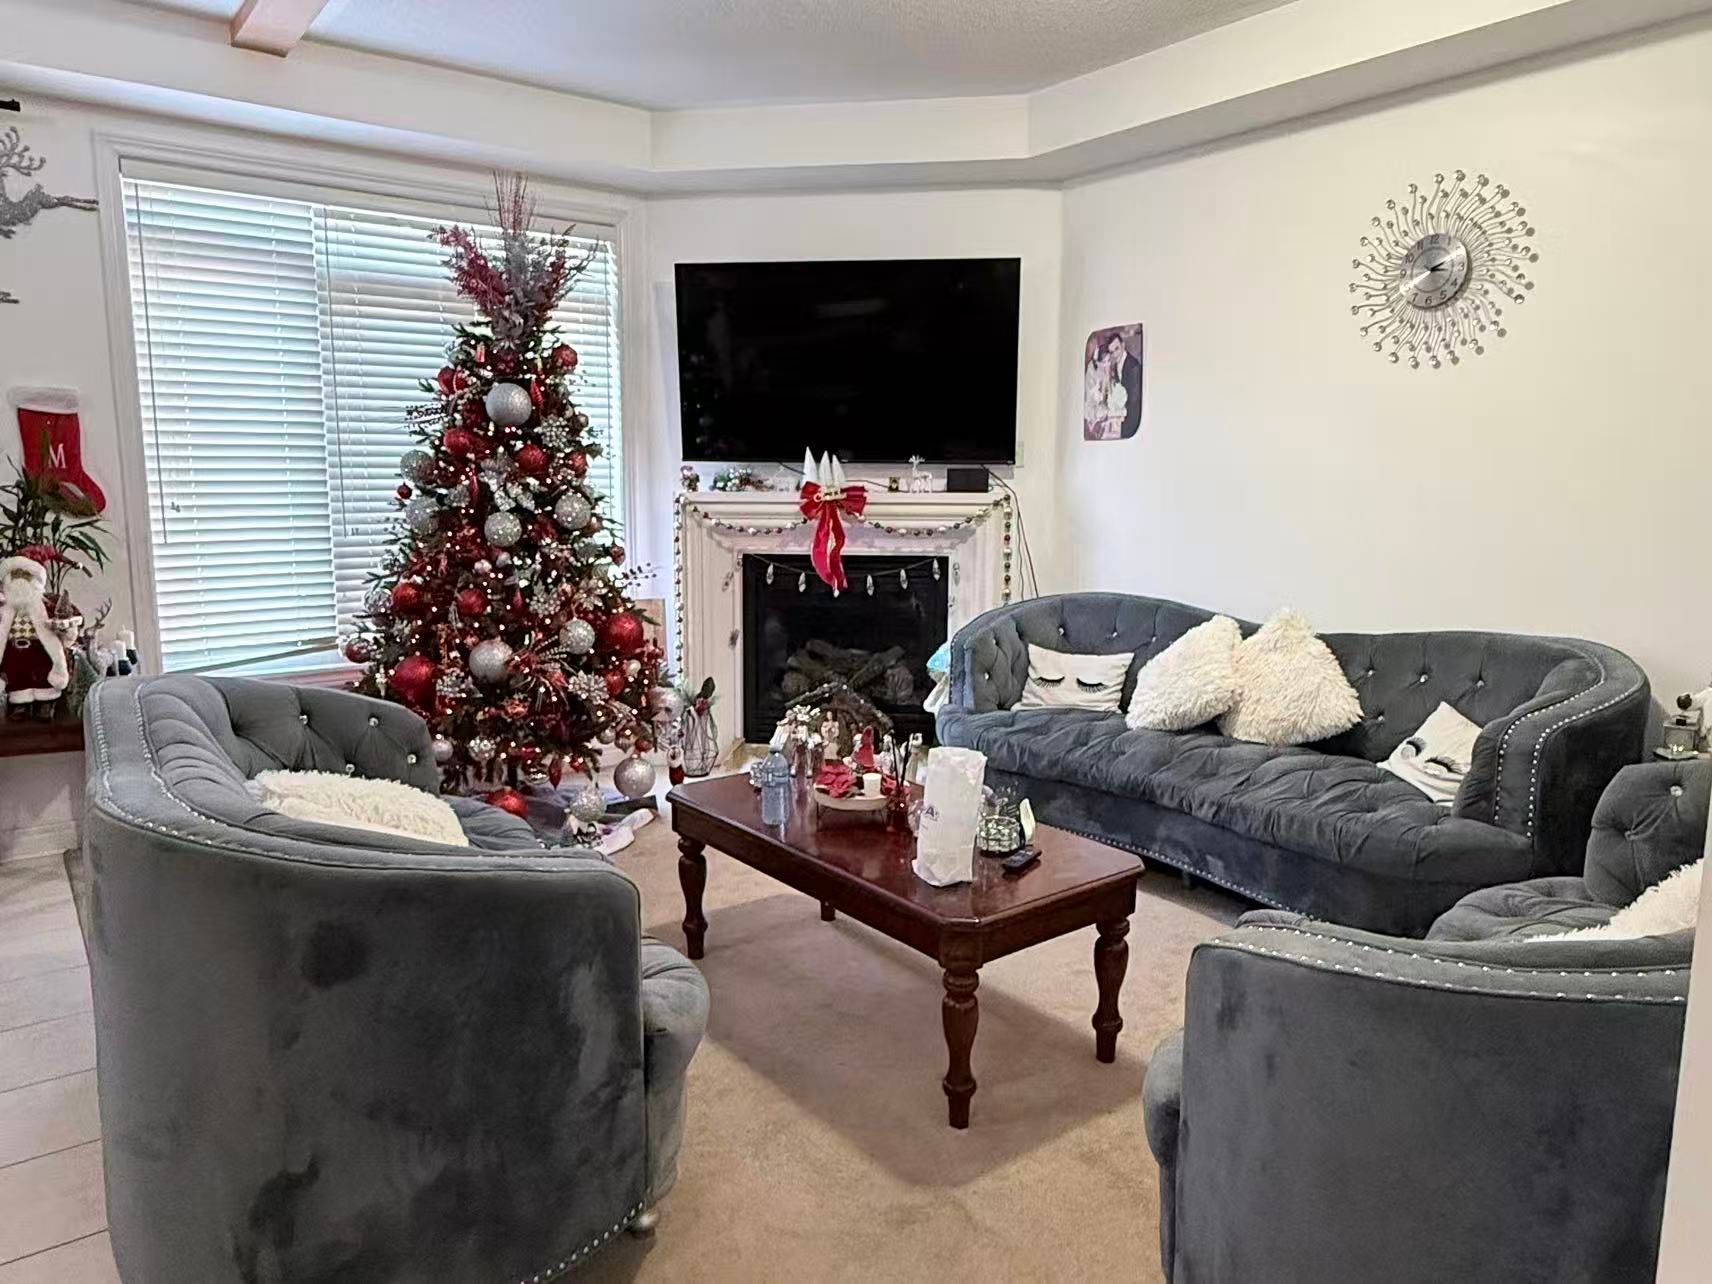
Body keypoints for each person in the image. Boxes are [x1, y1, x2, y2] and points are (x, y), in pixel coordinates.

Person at [1105, 330, 1143, 439]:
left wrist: (1119, 406)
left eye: (1116, 349)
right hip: (1122, 415)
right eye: (1111, 352)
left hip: (1133, 417)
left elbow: (1134, 397)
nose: (1114, 354)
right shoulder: (1115, 365)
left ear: (1123, 345)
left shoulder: (1134, 366)